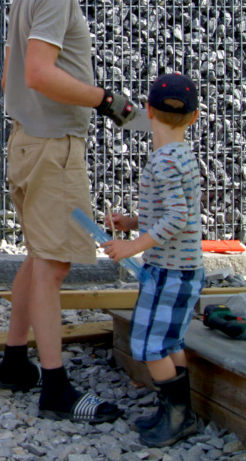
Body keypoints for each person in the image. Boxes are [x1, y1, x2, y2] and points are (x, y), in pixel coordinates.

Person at [0, 0, 134, 424]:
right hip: (54, 147)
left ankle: (14, 363)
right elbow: (35, 72)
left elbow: (12, 73)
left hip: (30, 140)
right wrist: (104, 99)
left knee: (39, 254)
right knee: (53, 267)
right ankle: (56, 390)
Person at [101, 73, 205, 448]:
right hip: (184, 269)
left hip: (169, 272)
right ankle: (177, 413)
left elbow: (177, 219)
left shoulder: (163, 162)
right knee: (172, 340)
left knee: (149, 344)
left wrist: (133, 246)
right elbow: (176, 211)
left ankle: (178, 416)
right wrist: (132, 223)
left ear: (147, 110)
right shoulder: (183, 157)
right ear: (193, 118)